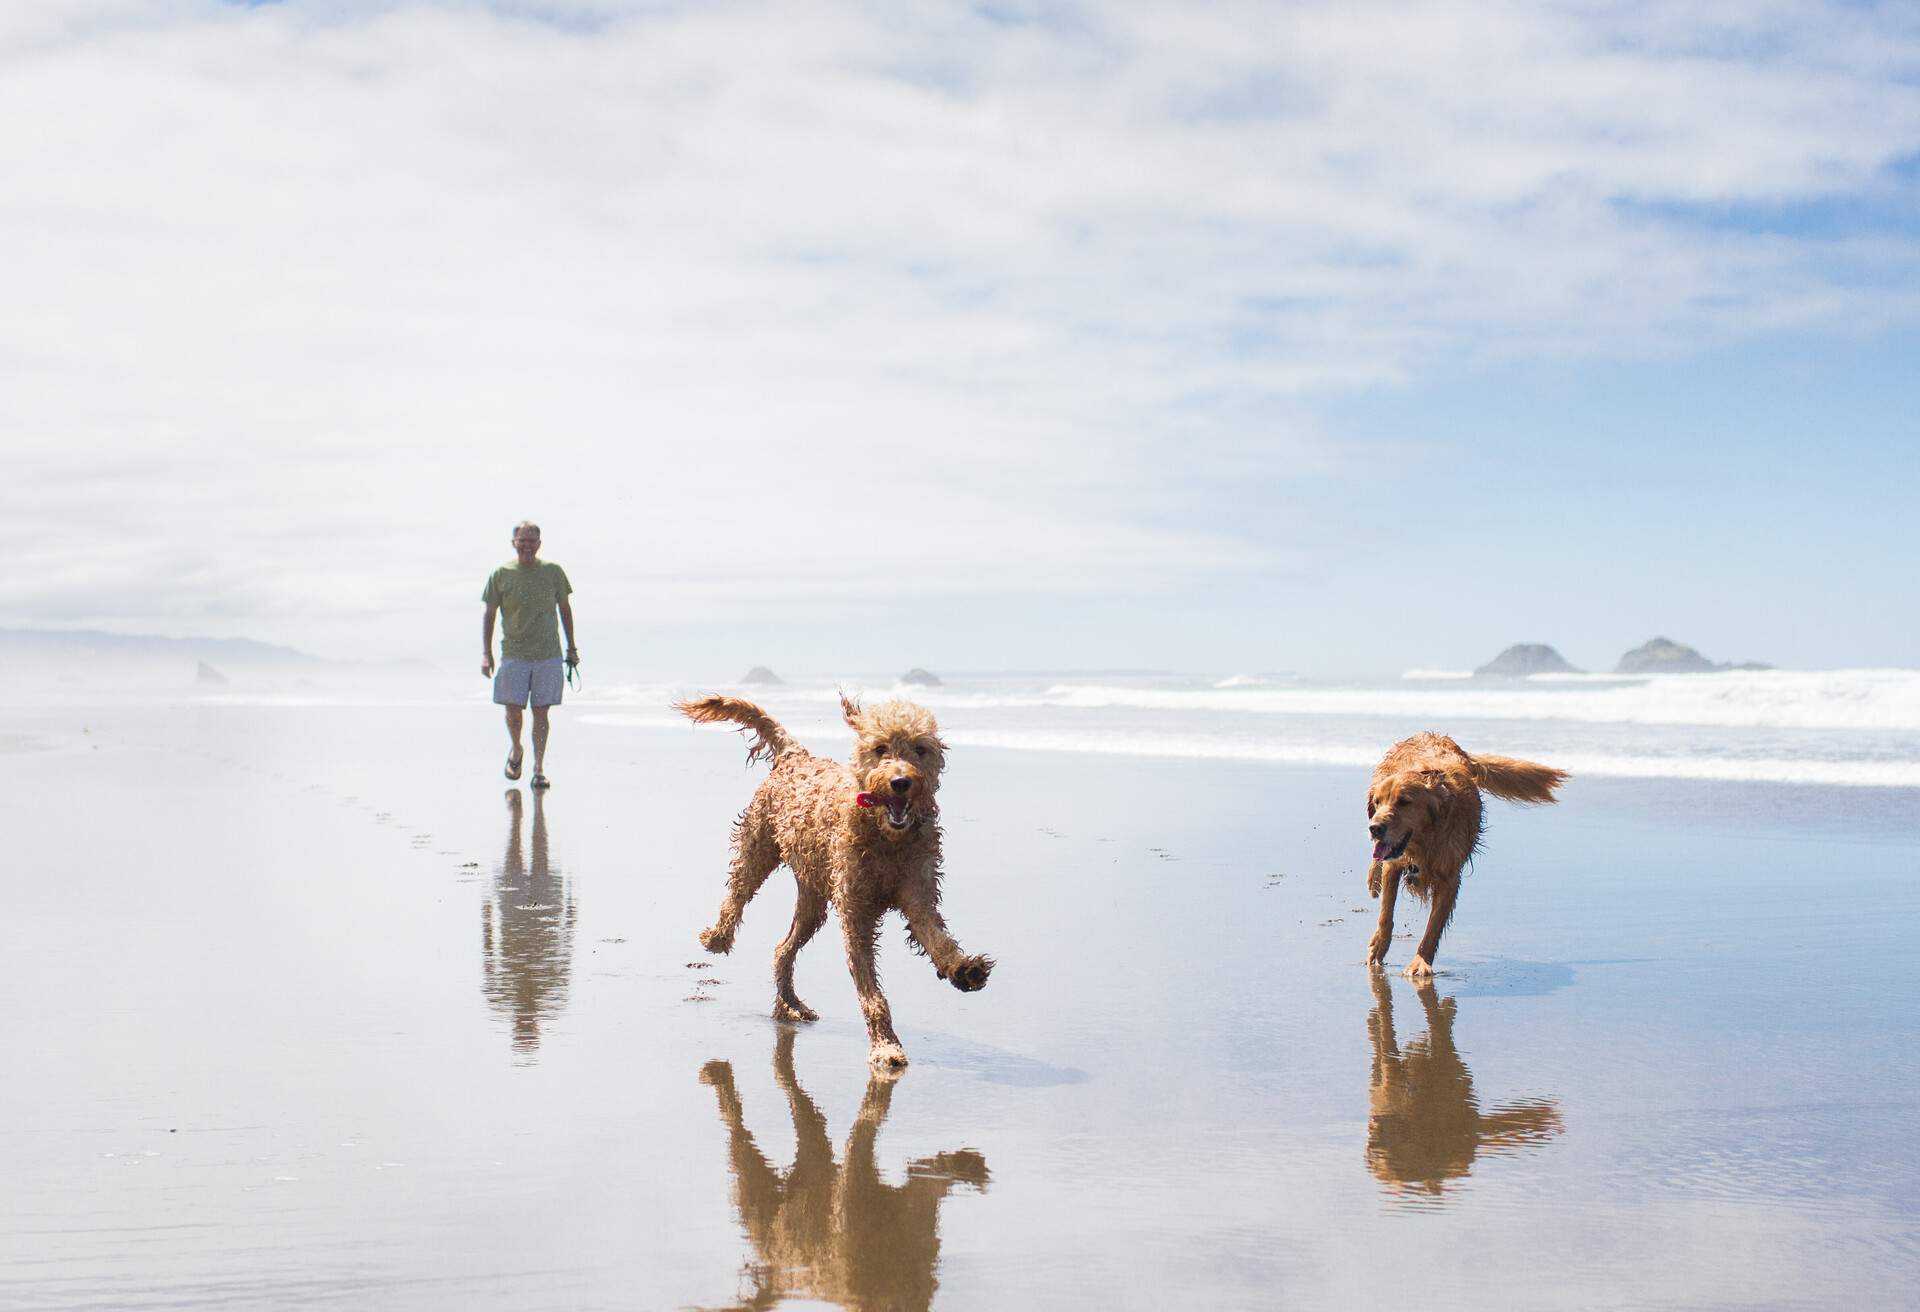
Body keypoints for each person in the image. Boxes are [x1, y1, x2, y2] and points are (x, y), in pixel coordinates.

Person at [481, 521, 577, 789]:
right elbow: (489, 614)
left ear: (539, 544)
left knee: (541, 713)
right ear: (513, 542)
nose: (526, 545)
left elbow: (565, 609)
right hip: (514, 653)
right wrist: (486, 654)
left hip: (548, 653)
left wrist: (572, 648)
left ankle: (538, 768)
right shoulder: (501, 574)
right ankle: (516, 750)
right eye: (522, 540)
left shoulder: (553, 572)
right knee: (513, 710)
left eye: (531, 541)